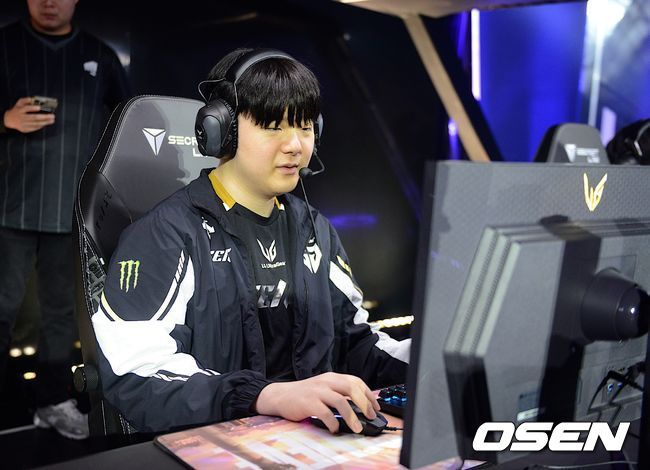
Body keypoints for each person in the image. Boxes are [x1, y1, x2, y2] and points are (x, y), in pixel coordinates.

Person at [92, 48, 410, 434]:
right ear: (221, 130)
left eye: (305, 126)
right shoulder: (166, 235)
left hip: (313, 440)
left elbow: (357, 344)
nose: (295, 145)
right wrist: (263, 396)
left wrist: (439, 356)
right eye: (274, 126)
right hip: (211, 444)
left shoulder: (314, 229)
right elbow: (135, 371)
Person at [0, 0, 129, 439]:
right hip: (9, 207)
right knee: (1, 309)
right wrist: (4, 119)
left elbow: (128, 118)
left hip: (71, 209)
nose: (50, 2)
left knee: (62, 314)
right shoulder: (5, 44)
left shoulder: (100, 55)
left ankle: (53, 401)